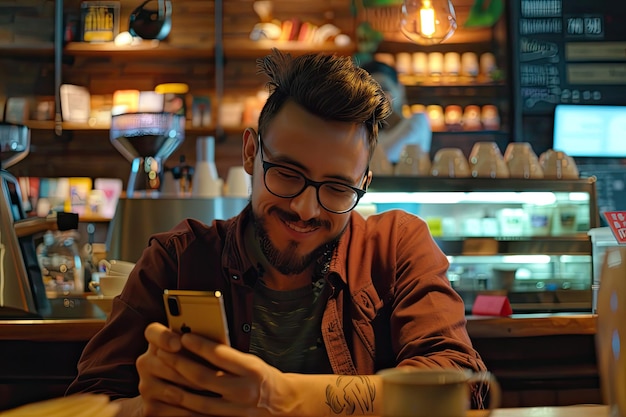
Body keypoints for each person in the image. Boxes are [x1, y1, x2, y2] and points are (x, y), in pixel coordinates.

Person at [66, 49, 486, 416]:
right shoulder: (179, 258)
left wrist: (282, 396)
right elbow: (90, 400)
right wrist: (147, 409)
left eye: (338, 188)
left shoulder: (395, 247)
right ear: (251, 153)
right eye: (287, 173)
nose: (305, 208)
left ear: (364, 184)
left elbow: (459, 387)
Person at [360, 59, 432, 164]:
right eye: (371, 92)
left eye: (384, 88)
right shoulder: (372, 134)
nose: (378, 98)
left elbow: (383, 156)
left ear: (400, 89)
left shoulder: (418, 121)